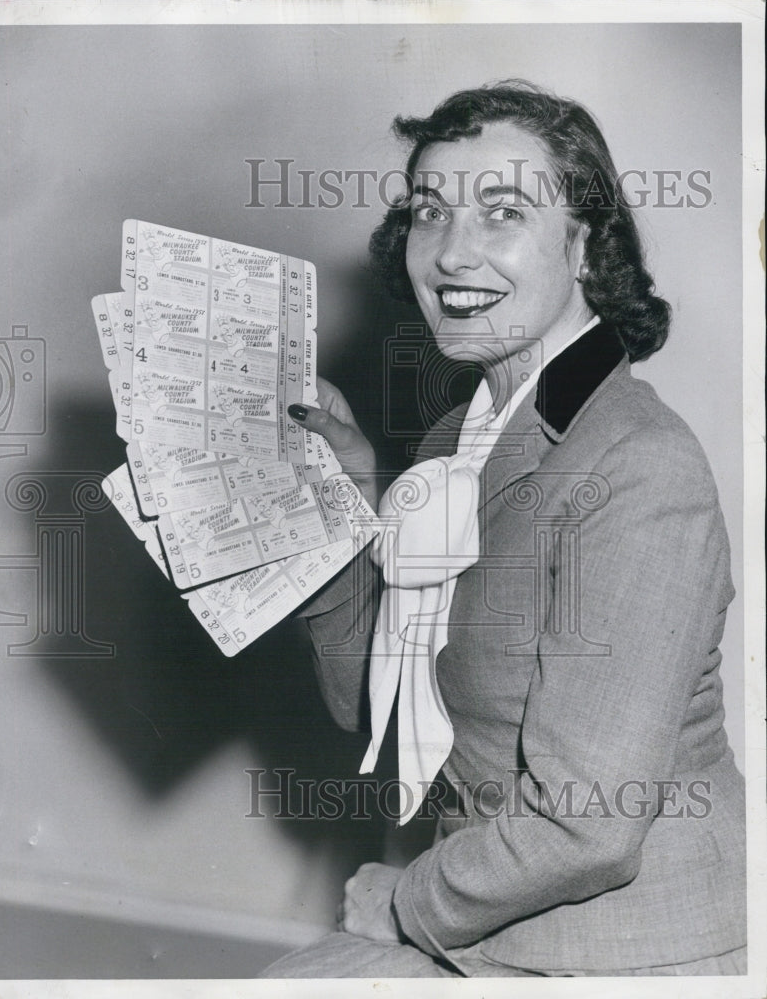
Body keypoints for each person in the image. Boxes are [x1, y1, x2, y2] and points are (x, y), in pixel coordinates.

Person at [259, 81, 746, 978]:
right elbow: (376, 712)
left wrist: (404, 902)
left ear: (587, 245)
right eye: (429, 214)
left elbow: (587, 823)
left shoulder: (638, 466)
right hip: (493, 920)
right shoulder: (461, 437)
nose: (450, 254)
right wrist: (342, 504)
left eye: (502, 213)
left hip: (622, 949)